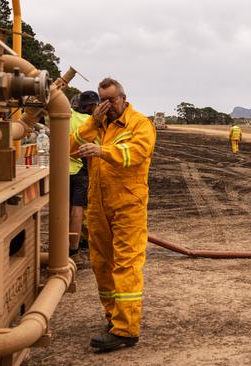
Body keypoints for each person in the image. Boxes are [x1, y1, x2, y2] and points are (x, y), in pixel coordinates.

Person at [70, 77, 157, 350]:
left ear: (123, 97)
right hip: (98, 205)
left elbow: (137, 153)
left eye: (111, 100)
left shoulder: (140, 124)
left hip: (127, 205)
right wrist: (93, 123)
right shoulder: (99, 124)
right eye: (102, 100)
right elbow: (72, 146)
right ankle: (113, 317)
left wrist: (103, 150)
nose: (107, 105)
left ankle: (127, 329)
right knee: (101, 263)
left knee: (126, 264)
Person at [68, 91, 99, 263]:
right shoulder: (91, 122)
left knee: (62, 210)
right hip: (80, 170)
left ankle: (61, 244)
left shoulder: (67, 114)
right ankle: (74, 250)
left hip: (60, 169)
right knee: (78, 210)